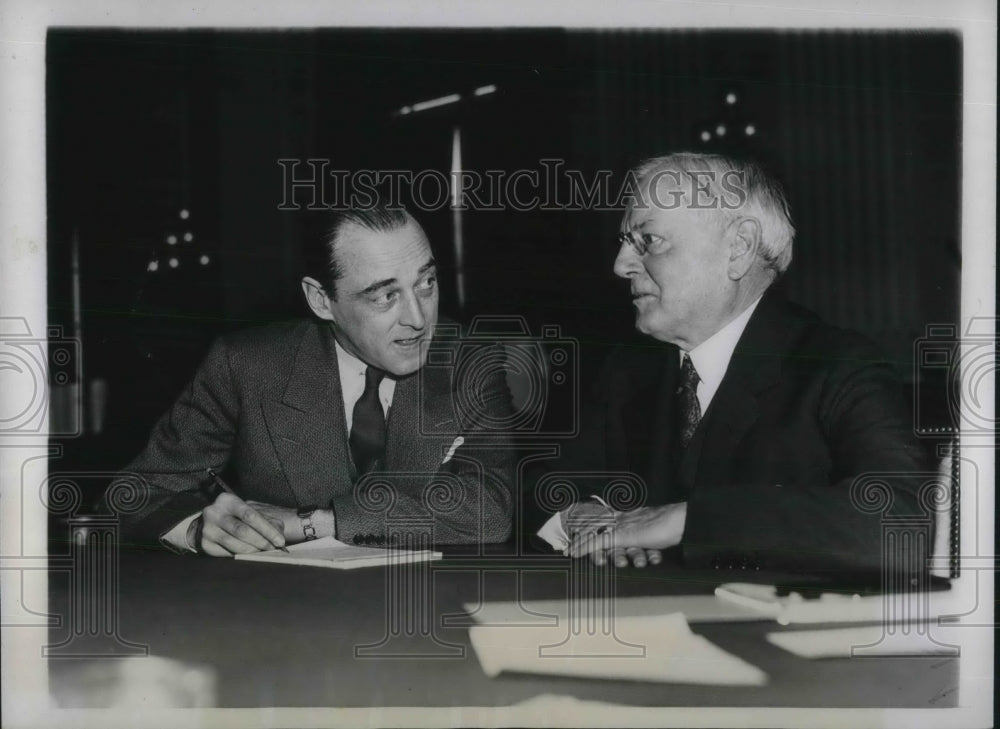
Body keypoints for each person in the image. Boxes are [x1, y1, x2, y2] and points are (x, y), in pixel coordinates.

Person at [536, 152, 928, 575]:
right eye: (624, 242)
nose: (621, 265)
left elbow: (901, 520)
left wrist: (686, 521)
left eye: (648, 240)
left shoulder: (838, 367)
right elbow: (545, 485)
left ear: (738, 248)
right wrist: (581, 515)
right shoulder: (628, 370)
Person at [108, 201, 515, 555]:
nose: (418, 318)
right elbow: (131, 497)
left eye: (426, 283)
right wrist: (198, 529)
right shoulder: (246, 365)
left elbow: (492, 510)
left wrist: (314, 522)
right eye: (385, 296)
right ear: (321, 300)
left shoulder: (469, 362)